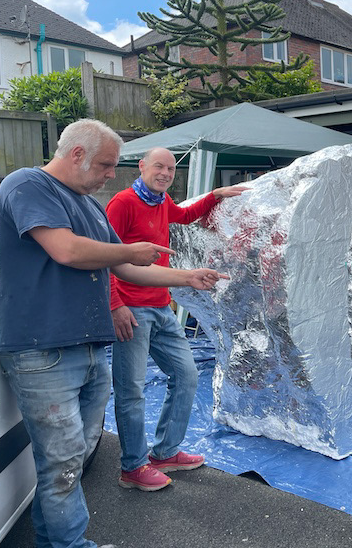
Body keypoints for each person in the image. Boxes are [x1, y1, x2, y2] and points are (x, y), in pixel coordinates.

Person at [0, 119, 227, 548]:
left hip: (86, 348)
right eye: (105, 165)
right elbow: (66, 250)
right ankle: (70, 543)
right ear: (77, 154)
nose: (109, 175)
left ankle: (54, 543)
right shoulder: (27, 184)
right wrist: (129, 252)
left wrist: (187, 277)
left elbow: (124, 267)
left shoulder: (88, 204)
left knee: (75, 459)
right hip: (42, 350)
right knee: (63, 463)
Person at [106, 147, 245, 491]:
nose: (165, 173)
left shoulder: (160, 202)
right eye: (159, 166)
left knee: (185, 375)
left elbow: (182, 215)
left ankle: (165, 451)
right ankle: (132, 467)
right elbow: (103, 256)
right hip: (131, 310)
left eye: (170, 168)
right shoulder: (122, 203)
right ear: (142, 167)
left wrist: (214, 196)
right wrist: (114, 305)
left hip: (161, 307)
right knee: (132, 391)